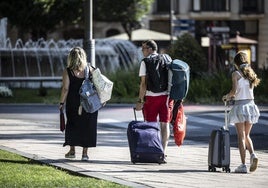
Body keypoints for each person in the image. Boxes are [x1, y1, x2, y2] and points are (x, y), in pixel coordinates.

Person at [222, 51, 260, 173]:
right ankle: (253, 155)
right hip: (251, 105)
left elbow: (234, 91)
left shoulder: (236, 74)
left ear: (236, 63)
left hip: (240, 107)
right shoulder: (251, 73)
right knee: (247, 135)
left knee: (241, 136)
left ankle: (243, 165)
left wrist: (227, 96)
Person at [136, 40, 173, 162]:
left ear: (151, 49)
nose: (142, 51)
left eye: (144, 49)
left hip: (151, 98)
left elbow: (143, 84)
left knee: (150, 126)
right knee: (165, 124)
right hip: (166, 98)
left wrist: (140, 100)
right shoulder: (167, 59)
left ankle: (153, 152)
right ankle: (163, 152)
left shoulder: (145, 62)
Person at [59, 47, 98, 161]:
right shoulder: (90, 69)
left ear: (71, 57)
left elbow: (65, 89)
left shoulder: (68, 71)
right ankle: (85, 154)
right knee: (88, 127)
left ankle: (72, 151)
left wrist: (61, 102)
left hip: (73, 103)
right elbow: (98, 85)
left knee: (72, 125)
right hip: (89, 103)